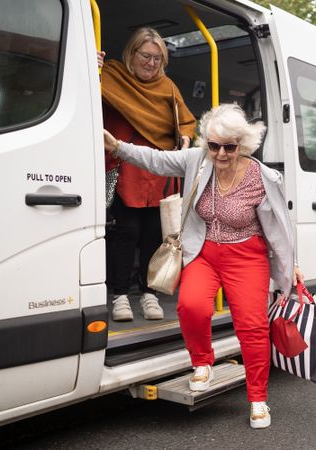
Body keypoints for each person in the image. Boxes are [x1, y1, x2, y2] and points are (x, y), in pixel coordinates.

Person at [103, 103, 304, 429]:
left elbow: (280, 228)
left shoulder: (261, 177)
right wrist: (118, 147)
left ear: (243, 144)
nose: (221, 154)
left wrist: (291, 264)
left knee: (252, 327)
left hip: (247, 256)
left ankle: (257, 398)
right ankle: (203, 363)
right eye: (214, 145)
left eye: (230, 147)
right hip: (205, 252)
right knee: (190, 306)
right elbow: (158, 160)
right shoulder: (197, 160)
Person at [100, 27, 196, 321]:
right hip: (122, 166)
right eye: (146, 56)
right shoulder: (112, 75)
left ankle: (149, 294)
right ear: (131, 54)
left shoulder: (167, 87)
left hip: (158, 172)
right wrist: (92, 69)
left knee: (154, 235)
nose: (151, 63)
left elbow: (187, 121)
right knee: (126, 233)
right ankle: (119, 296)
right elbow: (84, 90)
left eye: (158, 58)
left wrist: (186, 140)